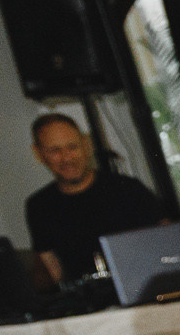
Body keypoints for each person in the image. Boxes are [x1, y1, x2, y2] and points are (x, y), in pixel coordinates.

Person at [22, 113, 164, 285]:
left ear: (86, 145)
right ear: (38, 154)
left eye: (72, 147)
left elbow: (168, 242)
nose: (66, 158)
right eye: (55, 151)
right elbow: (52, 270)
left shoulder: (128, 189)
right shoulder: (39, 206)